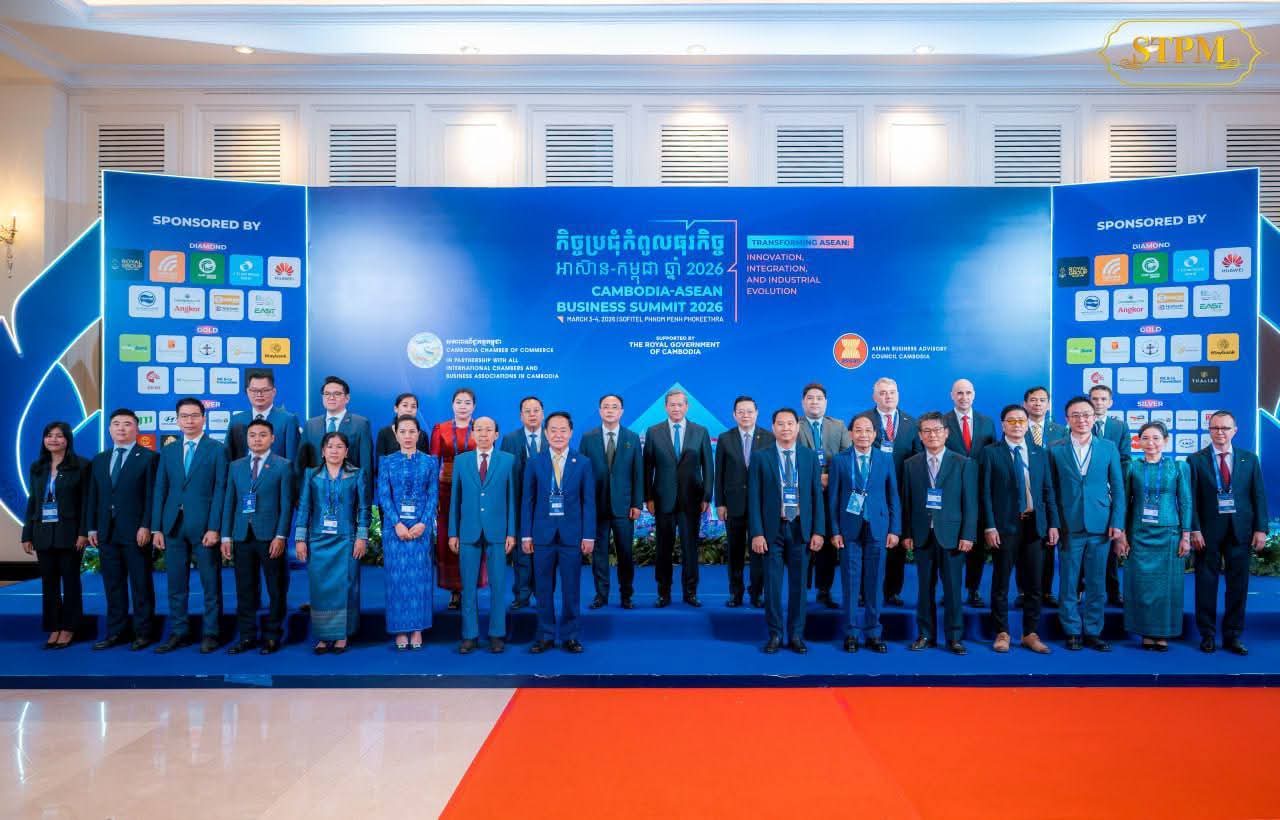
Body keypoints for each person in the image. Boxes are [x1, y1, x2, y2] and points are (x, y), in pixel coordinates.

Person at [1047, 396, 1125, 652]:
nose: (1081, 420)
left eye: (1086, 415)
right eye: (1076, 415)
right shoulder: (1054, 448)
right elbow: (1050, 490)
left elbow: (1118, 489)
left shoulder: (1108, 447)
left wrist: (1117, 522)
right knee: (1068, 581)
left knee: (1096, 582)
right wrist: (1054, 523)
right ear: (1067, 419)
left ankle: (1093, 631)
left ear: (1094, 418)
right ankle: (1071, 630)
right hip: (1068, 525)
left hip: (1100, 525)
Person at [979, 405, 1059, 654]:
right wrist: (989, 526)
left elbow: (1048, 491)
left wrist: (1053, 523)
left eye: (1021, 421)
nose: (1017, 425)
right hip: (1005, 526)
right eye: (1011, 421)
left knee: (1034, 584)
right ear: (1003, 424)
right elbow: (985, 493)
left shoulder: (1040, 453)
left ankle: (1030, 633)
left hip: (1035, 525)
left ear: (1027, 425)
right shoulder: (991, 453)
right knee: (1001, 583)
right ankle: (1002, 632)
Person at [1187, 410, 1268, 655]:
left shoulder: (1249, 459)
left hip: (1240, 531)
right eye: (1215, 428)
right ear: (1209, 430)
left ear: (1235, 430)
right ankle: (1207, 634)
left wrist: (1261, 529)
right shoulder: (1196, 460)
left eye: (1225, 428)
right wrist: (1194, 529)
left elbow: (1258, 496)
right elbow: (1191, 500)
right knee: (1206, 584)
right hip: (1207, 533)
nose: (1220, 432)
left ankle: (1233, 636)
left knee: (1238, 585)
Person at [152, 398, 228, 654]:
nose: (189, 421)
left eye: (194, 415)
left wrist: (215, 527)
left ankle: (211, 633)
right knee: (176, 584)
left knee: (210, 583)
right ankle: (179, 632)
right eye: (184, 416)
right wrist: (157, 528)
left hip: (204, 527)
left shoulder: (216, 449)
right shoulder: (169, 450)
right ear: (177, 420)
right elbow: (160, 488)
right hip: (172, 525)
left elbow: (220, 489)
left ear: (203, 418)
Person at [748, 408, 825, 655]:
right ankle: (775, 634)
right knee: (772, 586)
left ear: (798, 427)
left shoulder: (809, 456)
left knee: (799, 586)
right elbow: (754, 497)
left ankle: (796, 634)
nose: (785, 428)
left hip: (801, 529)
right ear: (773, 428)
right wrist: (757, 532)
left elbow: (816, 496)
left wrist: (819, 531)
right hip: (772, 531)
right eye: (780, 424)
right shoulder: (761, 457)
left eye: (790, 423)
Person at [901, 411, 978, 655]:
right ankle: (925, 634)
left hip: (952, 536)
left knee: (953, 589)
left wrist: (968, 535)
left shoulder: (963, 463)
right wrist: (907, 533)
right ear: (920, 435)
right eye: (927, 431)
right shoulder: (911, 464)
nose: (932, 435)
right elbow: (907, 502)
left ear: (946, 433)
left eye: (937, 430)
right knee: (925, 588)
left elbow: (970, 503)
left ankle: (954, 637)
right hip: (922, 535)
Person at [522, 411, 595, 653]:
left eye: (563, 430)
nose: (558, 434)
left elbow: (589, 502)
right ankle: (545, 635)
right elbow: (527, 501)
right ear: (546, 433)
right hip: (542, 535)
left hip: (572, 535)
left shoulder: (582, 462)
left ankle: (570, 635)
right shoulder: (535, 462)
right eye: (553, 430)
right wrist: (526, 535)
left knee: (571, 588)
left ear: (571, 433)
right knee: (543, 589)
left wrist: (588, 535)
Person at [220, 418, 294, 655]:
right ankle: (247, 636)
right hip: (242, 535)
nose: (257, 439)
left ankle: (272, 635)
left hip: (270, 537)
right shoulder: (236, 466)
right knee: (245, 589)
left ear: (272, 438)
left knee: (276, 588)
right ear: (246, 439)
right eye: (252, 435)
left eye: (262, 435)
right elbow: (229, 502)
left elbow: (286, 505)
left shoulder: (283, 465)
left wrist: (281, 536)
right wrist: (226, 536)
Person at [86, 409, 158, 651]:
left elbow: (151, 496)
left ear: (136, 429)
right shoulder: (100, 459)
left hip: (136, 531)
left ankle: (144, 632)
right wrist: (92, 527)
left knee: (140, 584)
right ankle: (116, 632)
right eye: (116, 424)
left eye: (127, 424)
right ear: (109, 429)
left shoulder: (148, 457)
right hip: (106, 531)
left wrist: (146, 525)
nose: (121, 428)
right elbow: (93, 496)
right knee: (113, 584)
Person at [828, 415, 900, 653]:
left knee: (875, 582)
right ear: (850, 434)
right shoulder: (839, 461)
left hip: (878, 527)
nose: (863, 435)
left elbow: (893, 496)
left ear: (875, 434)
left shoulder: (885, 459)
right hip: (849, 529)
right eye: (858, 430)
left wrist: (895, 529)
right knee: (850, 582)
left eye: (868, 430)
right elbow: (833, 499)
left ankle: (873, 632)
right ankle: (851, 632)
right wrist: (835, 530)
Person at [1117, 422, 1191, 651]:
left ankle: (1163, 633)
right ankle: (1145, 633)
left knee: (1166, 586)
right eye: (1145, 438)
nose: (1151, 443)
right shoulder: (1132, 467)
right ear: (1138, 442)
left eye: (1156, 438)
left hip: (1169, 534)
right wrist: (1122, 535)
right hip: (1139, 535)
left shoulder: (1178, 467)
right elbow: (1123, 503)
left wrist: (1186, 535)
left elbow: (1186, 502)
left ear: (1166, 441)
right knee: (1141, 585)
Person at [294, 431, 370, 654]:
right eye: (330, 446)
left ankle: (342, 635)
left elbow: (364, 508)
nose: (334, 451)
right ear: (322, 451)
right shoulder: (311, 475)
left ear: (346, 452)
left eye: (339, 447)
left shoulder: (357, 474)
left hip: (347, 539)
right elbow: (304, 507)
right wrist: (300, 539)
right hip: (318, 540)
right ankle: (322, 636)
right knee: (320, 589)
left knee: (345, 587)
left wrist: (361, 537)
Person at [449, 416, 517, 653]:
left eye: (489, 430)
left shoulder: (508, 460)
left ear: (496, 435)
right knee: (468, 587)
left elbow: (512, 499)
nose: (484, 434)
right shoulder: (461, 461)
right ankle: (470, 635)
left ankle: (497, 634)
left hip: (498, 531)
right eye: (479, 429)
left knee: (498, 585)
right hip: (468, 531)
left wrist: (511, 532)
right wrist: (453, 532)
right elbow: (455, 499)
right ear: (472, 434)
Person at [21, 421, 91, 649]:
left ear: (68, 439)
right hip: (42, 532)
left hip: (70, 534)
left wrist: (83, 533)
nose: (53, 439)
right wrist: (27, 534)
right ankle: (53, 627)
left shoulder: (81, 466)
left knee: (70, 582)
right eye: (49, 435)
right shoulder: (37, 467)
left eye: (59, 436)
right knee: (49, 583)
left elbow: (86, 503)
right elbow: (33, 501)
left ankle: (70, 628)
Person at [644, 388, 713, 608]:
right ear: (666, 407)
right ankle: (663, 593)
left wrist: (707, 496)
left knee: (690, 548)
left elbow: (708, 467)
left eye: (680, 404)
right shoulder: (653, 432)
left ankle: (690, 592)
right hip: (662, 499)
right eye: (672, 405)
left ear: (687, 407)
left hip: (692, 500)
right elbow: (647, 468)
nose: (676, 408)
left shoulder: (700, 431)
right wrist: (648, 497)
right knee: (663, 549)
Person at [856, 377, 920, 607]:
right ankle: (864, 592)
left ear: (898, 395)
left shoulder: (911, 423)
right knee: (868, 542)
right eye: (882, 393)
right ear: (874, 396)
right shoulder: (863, 420)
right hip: (870, 492)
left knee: (895, 542)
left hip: (900, 492)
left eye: (892, 392)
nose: (888, 396)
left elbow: (917, 459)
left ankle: (892, 591)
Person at [377, 415, 439, 651]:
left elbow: (433, 495)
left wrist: (424, 523)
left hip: (421, 529)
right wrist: (396, 524)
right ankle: (400, 629)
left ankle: (417, 628)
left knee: (420, 578)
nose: (407, 436)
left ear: (419, 434)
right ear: (396, 433)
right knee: (397, 579)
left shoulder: (430, 462)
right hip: (395, 531)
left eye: (412, 431)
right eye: (402, 431)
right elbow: (384, 495)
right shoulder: (386, 462)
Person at [580, 394, 644, 609]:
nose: (610, 410)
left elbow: (638, 473)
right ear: (600, 411)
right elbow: (582, 474)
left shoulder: (631, 437)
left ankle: (626, 595)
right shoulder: (588, 438)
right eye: (605, 407)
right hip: (596, 506)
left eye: (614, 407)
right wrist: (584, 505)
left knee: (625, 552)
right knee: (599, 554)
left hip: (624, 507)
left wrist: (637, 503)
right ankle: (601, 595)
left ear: (621, 411)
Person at [941, 378, 996, 607]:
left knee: (976, 545)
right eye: (959, 393)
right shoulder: (942, 422)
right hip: (950, 491)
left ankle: (973, 589)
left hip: (979, 491)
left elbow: (992, 456)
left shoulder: (987, 422)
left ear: (974, 394)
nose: (964, 397)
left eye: (968, 393)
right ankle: (950, 591)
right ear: (952, 395)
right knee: (950, 543)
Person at [715, 395, 774, 608]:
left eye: (749, 411)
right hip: (734, 505)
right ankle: (736, 593)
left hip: (761, 505)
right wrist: (720, 503)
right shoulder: (725, 438)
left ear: (757, 413)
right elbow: (719, 473)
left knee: (759, 551)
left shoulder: (769, 438)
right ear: (734, 415)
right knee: (735, 552)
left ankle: (757, 593)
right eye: (741, 411)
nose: (745, 415)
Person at [796, 382, 850, 609]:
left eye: (819, 398)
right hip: (802, 495)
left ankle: (824, 590)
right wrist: (815, 478)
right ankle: (799, 590)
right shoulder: (794, 425)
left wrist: (830, 477)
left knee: (827, 543)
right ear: (803, 402)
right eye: (810, 398)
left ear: (826, 402)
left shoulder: (838, 426)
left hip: (831, 495)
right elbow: (790, 457)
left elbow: (848, 456)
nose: (814, 402)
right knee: (802, 540)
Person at [431, 387, 480, 611]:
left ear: (474, 406)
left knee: (472, 536)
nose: (463, 406)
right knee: (449, 537)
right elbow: (433, 464)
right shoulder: (440, 429)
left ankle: (471, 587)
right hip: (446, 490)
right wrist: (433, 496)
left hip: (474, 490)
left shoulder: (481, 427)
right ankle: (454, 590)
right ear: (452, 405)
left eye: (467, 402)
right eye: (459, 402)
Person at [499, 396, 545, 610]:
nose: (532, 414)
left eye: (536, 410)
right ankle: (522, 594)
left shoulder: (552, 436)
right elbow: (504, 474)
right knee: (521, 553)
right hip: (518, 503)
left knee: (543, 551)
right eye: (527, 411)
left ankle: (542, 594)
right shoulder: (510, 439)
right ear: (521, 416)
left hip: (546, 506)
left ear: (542, 413)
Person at [1023, 385, 1067, 608]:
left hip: (1052, 497)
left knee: (1049, 544)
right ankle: (1023, 592)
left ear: (1048, 404)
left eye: (1042, 400)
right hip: (1026, 497)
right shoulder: (1017, 427)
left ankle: (1047, 591)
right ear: (1025, 404)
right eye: (1033, 399)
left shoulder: (1060, 431)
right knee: (1024, 547)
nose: (1037, 403)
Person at [1088, 383, 1130, 606]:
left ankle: (1113, 591)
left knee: (1109, 543)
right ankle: (1080, 589)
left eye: (1103, 399)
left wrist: (1113, 485)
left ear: (1110, 402)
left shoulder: (1119, 427)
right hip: (1087, 493)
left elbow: (1125, 459)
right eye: (1095, 398)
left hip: (1111, 492)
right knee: (1084, 546)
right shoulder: (1079, 423)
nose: (1098, 403)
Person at [300, 376, 375, 498]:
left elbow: (366, 464)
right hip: (317, 495)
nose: (331, 397)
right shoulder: (311, 425)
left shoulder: (361, 424)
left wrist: (365, 497)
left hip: (349, 495)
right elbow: (302, 463)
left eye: (337, 394)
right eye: (327, 394)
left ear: (347, 398)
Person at [226, 369, 300, 461]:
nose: (259, 394)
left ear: (274, 392)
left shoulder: (288, 420)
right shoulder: (236, 420)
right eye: (254, 390)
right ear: (248, 392)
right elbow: (227, 457)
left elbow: (292, 459)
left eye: (264, 390)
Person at [375, 392, 430, 458]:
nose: (409, 410)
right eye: (405, 405)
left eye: (413, 406)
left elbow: (426, 460)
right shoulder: (384, 433)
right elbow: (380, 461)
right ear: (396, 409)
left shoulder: (422, 435)